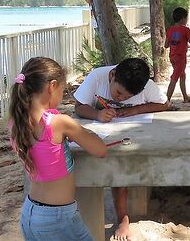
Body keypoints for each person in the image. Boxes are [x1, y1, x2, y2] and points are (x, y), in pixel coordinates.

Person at [9, 57, 107, 240]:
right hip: (58, 219)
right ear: (52, 86)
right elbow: (100, 149)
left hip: (30, 213)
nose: (62, 96)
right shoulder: (59, 122)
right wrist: (79, 131)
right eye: (63, 91)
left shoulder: (16, 121)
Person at [73, 57, 170, 241]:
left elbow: (164, 104)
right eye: (118, 93)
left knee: (119, 168)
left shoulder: (145, 85)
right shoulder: (97, 76)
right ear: (112, 75)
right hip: (98, 134)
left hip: (126, 137)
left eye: (127, 97)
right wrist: (97, 114)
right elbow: (78, 107)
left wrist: (135, 110)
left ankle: (122, 217)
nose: (120, 98)